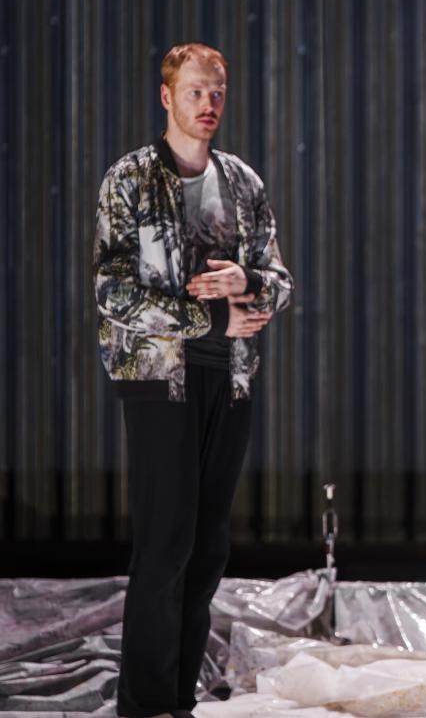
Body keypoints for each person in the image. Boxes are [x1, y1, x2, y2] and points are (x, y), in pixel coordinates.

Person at [93, 42, 292, 718]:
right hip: (159, 379)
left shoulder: (242, 182)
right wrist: (210, 319)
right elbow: (112, 290)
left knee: (208, 546)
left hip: (229, 380)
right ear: (167, 96)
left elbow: (279, 281)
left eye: (217, 93)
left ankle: (178, 699)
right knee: (167, 541)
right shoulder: (130, 179)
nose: (208, 104)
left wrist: (249, 280)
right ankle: (145, 703)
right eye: (196, 92)